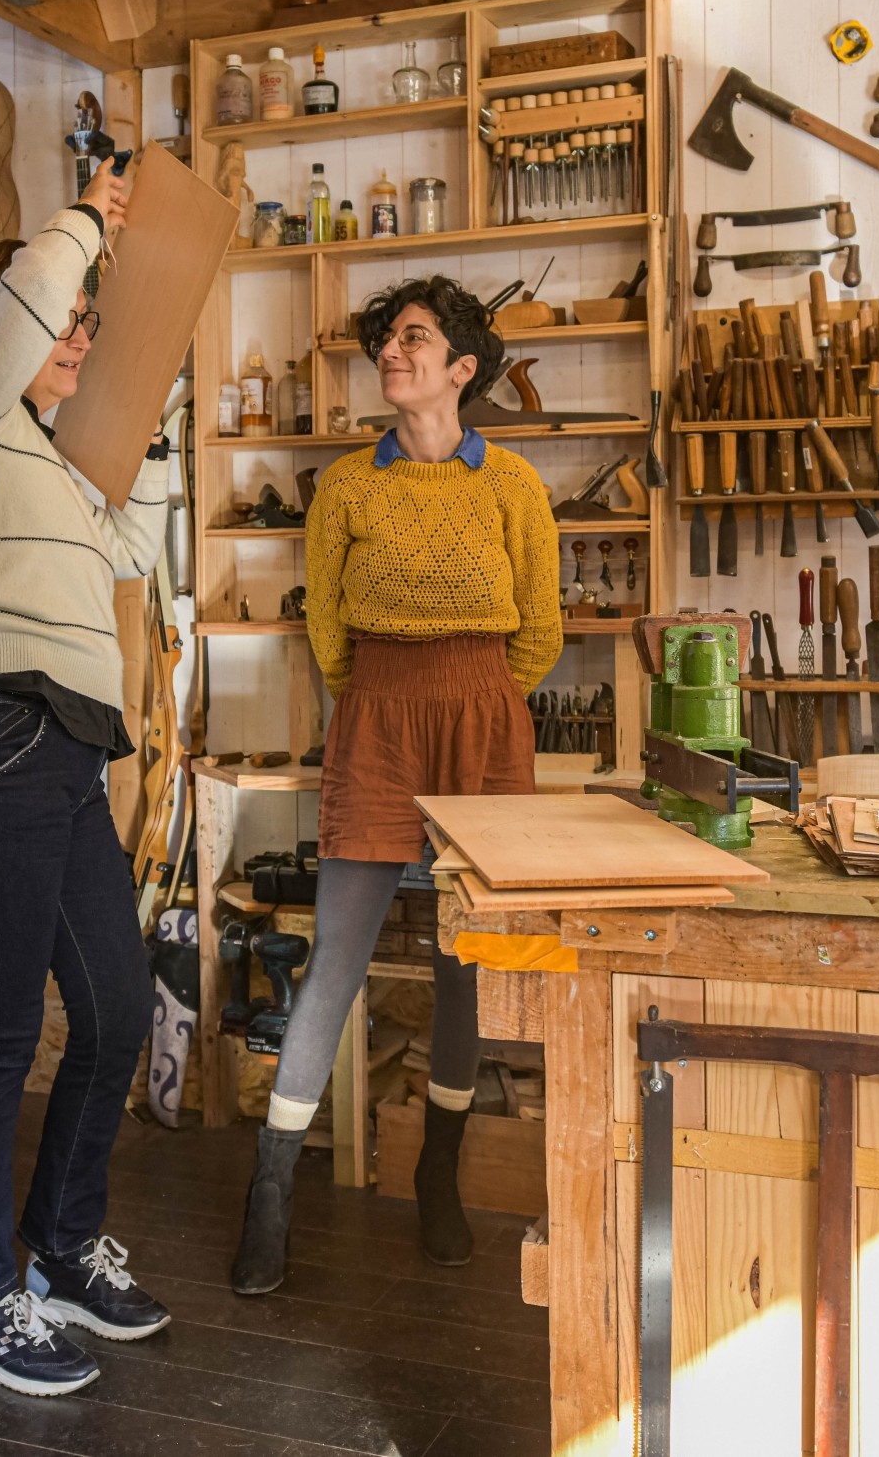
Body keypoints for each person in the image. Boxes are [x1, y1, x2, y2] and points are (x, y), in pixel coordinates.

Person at [0, 171, 174, 1397]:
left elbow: (127, 553)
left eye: (83, 334)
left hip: (58, 748)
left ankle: (58, 1249)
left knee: (113, 1012)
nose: (75, 342)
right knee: (2, 1035)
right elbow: (27, 307)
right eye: (62, 322)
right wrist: (86, 226)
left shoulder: (47, 461)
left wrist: (141, 433)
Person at [230, 275, 562, 1295]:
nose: (392, 353)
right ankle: (271, 1195)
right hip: (374, 713)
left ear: (463, 367)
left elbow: (539, 631)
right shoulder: (346, 486)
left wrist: (474, 697)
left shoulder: (511, 482)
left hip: (483, 717)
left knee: (468, 955)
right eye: (385, 340)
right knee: (338, 953)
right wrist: (379, 697)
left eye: (413, 339)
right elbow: (327, 631)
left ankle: (439, 1176)